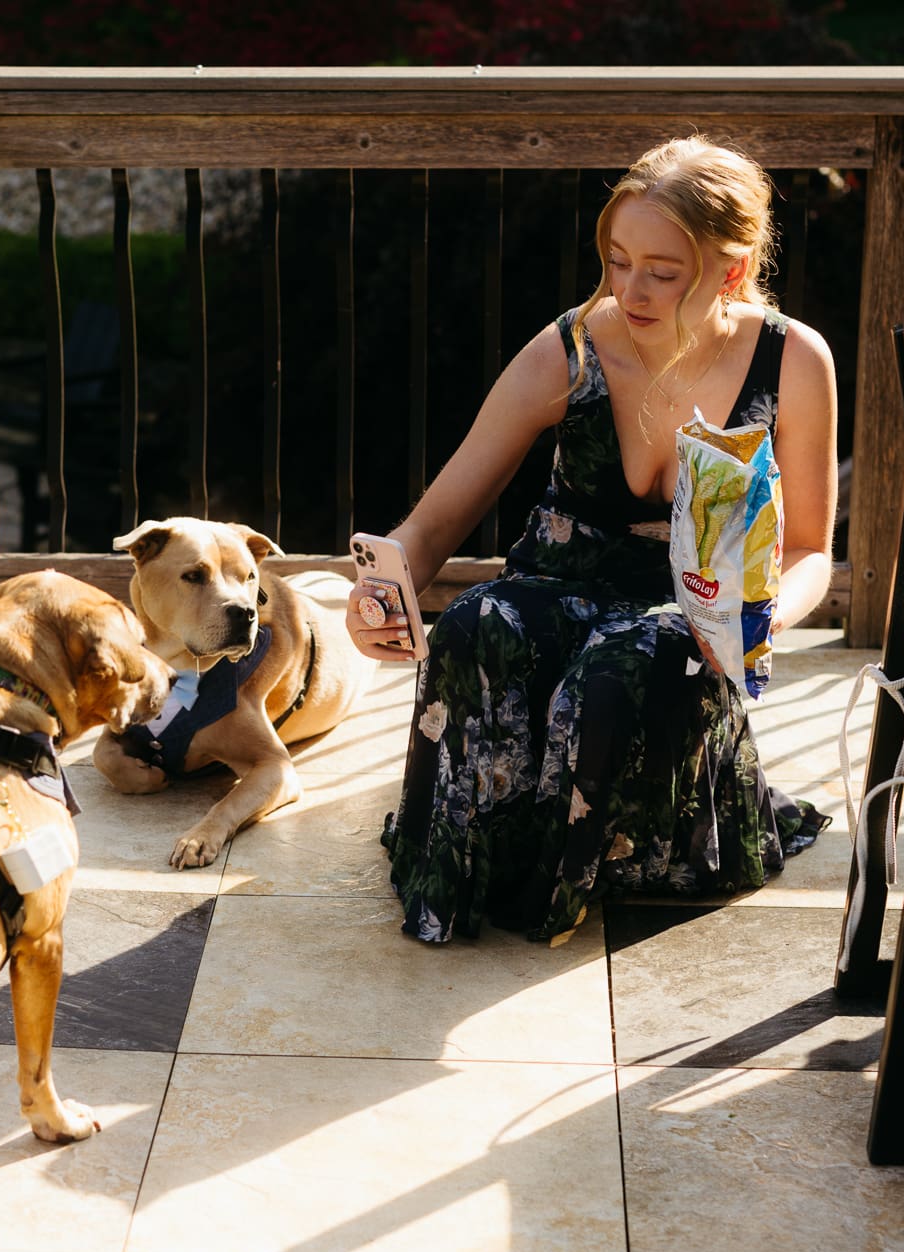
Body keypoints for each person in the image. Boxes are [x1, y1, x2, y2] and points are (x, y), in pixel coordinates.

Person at [348, 136, 836, 947]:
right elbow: (435, 521)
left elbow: (814, 550)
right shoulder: (568, 347)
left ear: (732, 269)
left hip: (692, 607)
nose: (629, 289)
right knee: (473, 623)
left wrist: (764, 616)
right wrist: (378, 591)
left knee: (625, 669)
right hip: (556, 581)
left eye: (661, 270)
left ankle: (564, 881)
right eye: (617, 259)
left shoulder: (792, 359)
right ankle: (468, 867)